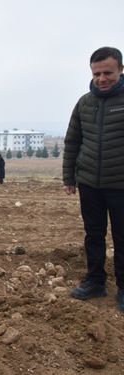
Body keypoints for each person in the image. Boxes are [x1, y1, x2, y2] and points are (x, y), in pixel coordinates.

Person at [63, 46, 124, 311]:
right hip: (90, 183)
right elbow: (72, 141)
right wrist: (69, 177)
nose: (102, 78)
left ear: (120, 70)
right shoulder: (84, 103)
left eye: (108, 72)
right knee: (94, 235)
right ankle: (95, 281)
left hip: (121, 185)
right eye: (97, 73)